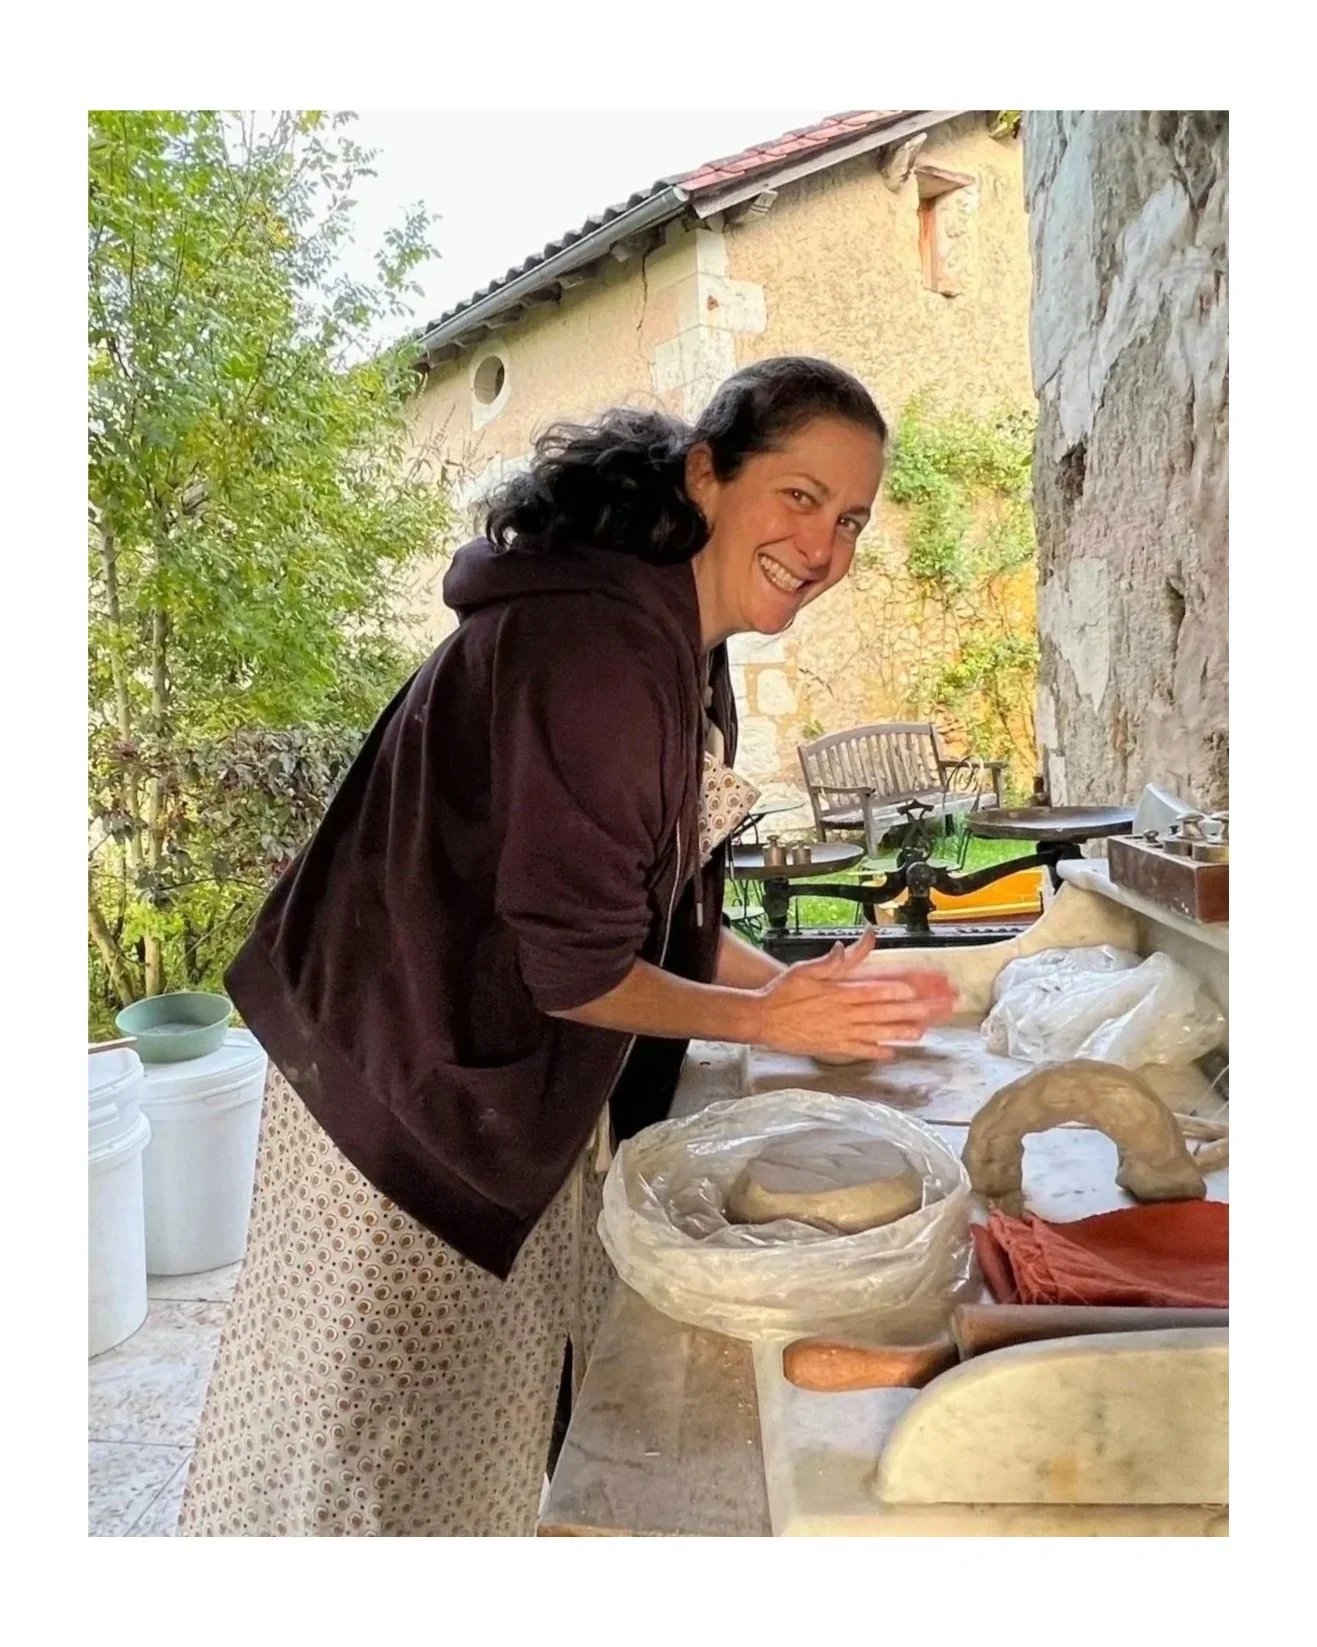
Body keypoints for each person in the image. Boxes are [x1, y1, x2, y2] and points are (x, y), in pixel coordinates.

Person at [178, 356, 954, 1537]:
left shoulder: (677, 633)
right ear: (707, 474)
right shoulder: (593, 647)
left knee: (475, 1410)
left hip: (469, 1044)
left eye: (850, 519)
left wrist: (780, 984)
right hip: (393, 1069)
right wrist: (764, 1023)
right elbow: (579, 967)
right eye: (799, 496)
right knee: (363, 1435)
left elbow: (646, 901)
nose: (826, 546)